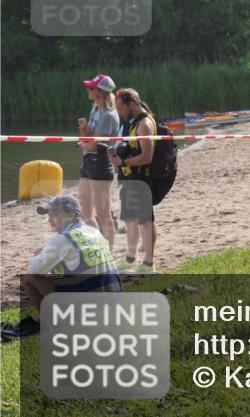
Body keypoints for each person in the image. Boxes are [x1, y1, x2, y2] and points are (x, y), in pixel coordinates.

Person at [2, 195, 121, 341]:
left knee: (29, 277)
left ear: (72, 215)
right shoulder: (93, 231)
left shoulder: (62, 239)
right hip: (113, 305)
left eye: (55, 215)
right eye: (49, 215)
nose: (50, 220)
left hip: (90, 310)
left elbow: (35, 269)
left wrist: (39, 255)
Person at [110, 88, 169, 274]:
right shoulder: (130, 123)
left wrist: (124, 161)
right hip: (129, 178)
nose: (119, 112)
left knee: (145, 220)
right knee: (129, 218)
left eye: (121, 108)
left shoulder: (144, 124)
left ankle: (149, 264)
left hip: (142, 179)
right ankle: (130, 258)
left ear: (132, 104)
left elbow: (147, 157)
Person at [77, 73, 119, 251]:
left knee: (103, 214)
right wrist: (84, 132)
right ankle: (99, 247)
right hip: (88, 162)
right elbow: (90, 140)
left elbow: (95, 145)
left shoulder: (109, 115)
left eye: (91, 88)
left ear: (100, 92)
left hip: (101, 163)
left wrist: (82, 142)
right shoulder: (95, 111)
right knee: (85, 212)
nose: (88, 90)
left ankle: (107, 253)